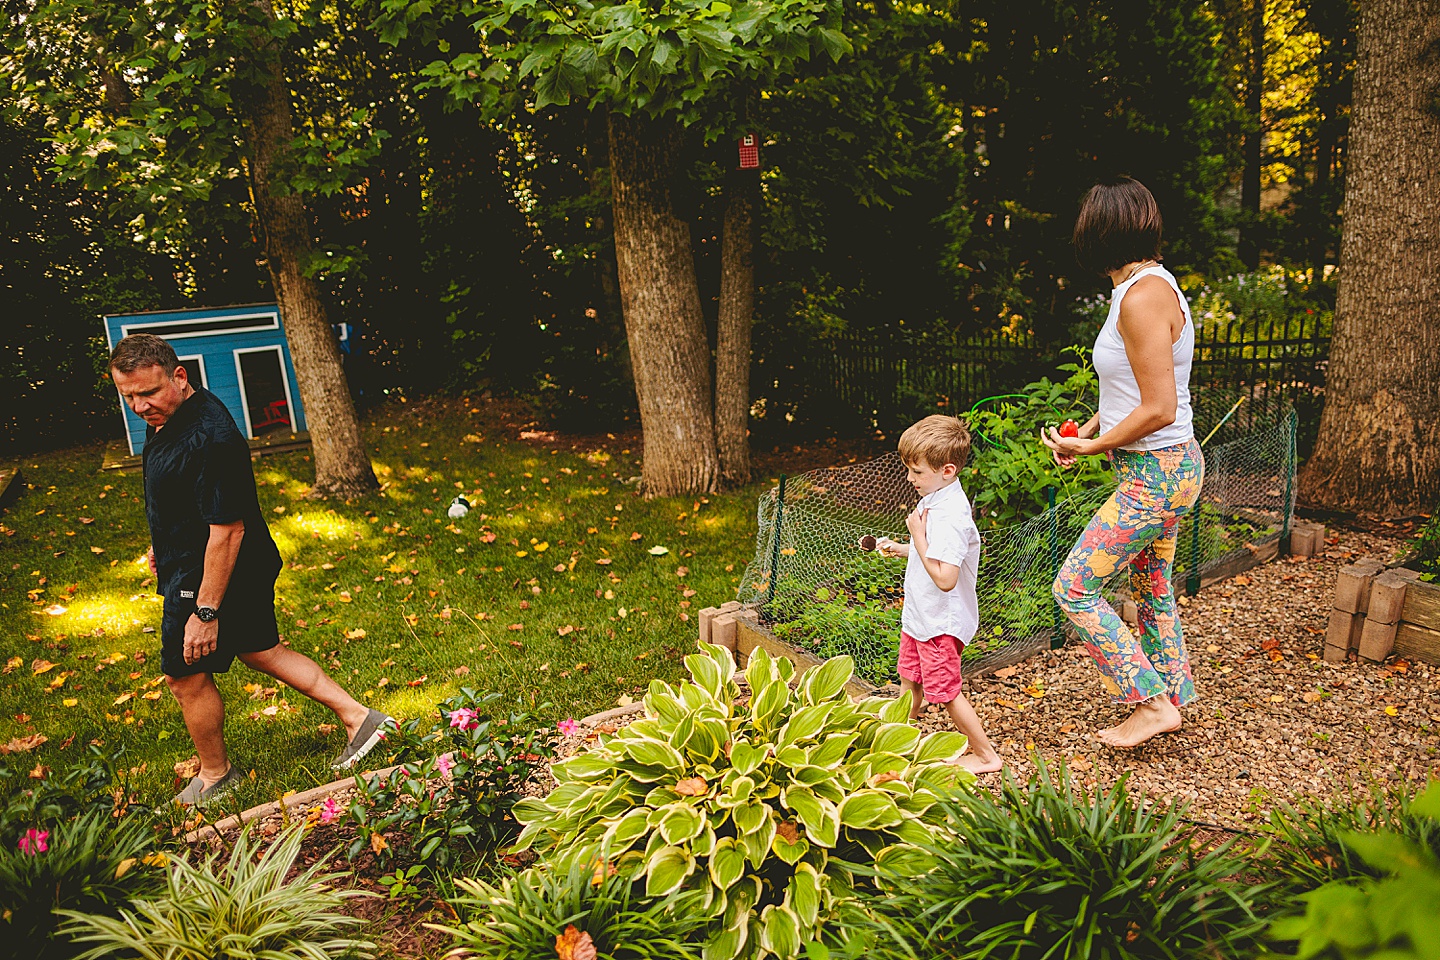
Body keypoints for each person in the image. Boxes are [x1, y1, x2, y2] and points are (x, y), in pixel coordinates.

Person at [109, 334, 391, 805]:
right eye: (129, 396)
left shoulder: (211, 437)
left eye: (149, 393)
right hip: (212, 560)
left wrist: (204, 612)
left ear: (179, 377)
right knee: (260, 649)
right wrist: (165, 544)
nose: (140, 406)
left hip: (216, 573)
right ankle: (360, 718)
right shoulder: (170, 414)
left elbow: (228, 531)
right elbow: (181, 497)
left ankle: (216, 775)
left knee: (186, 676)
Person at [1042, 176, 1204, 748]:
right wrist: (1086, 430)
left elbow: (1159, 408)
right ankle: (1175, 693)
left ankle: (1150, 703)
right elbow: (1134, 394)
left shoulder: (1141, 297)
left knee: (1074, 588)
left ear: (1098, 233)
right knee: (1153, 587)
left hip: (1157, 471)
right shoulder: (1143, 288)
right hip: (1163, 467)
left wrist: (1093, 446)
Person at [876, 415, 1002, 774]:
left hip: (939, 625)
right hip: (920, 616)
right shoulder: (936, 496)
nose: (909, 478)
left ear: (946, 470)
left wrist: (916, 536)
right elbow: (932, 552)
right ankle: (896, 742)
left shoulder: (950, 516)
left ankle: (985, 755)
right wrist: (903, 548)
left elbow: (946, 578)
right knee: (910, 679)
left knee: (944, 692)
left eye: (916, 472)